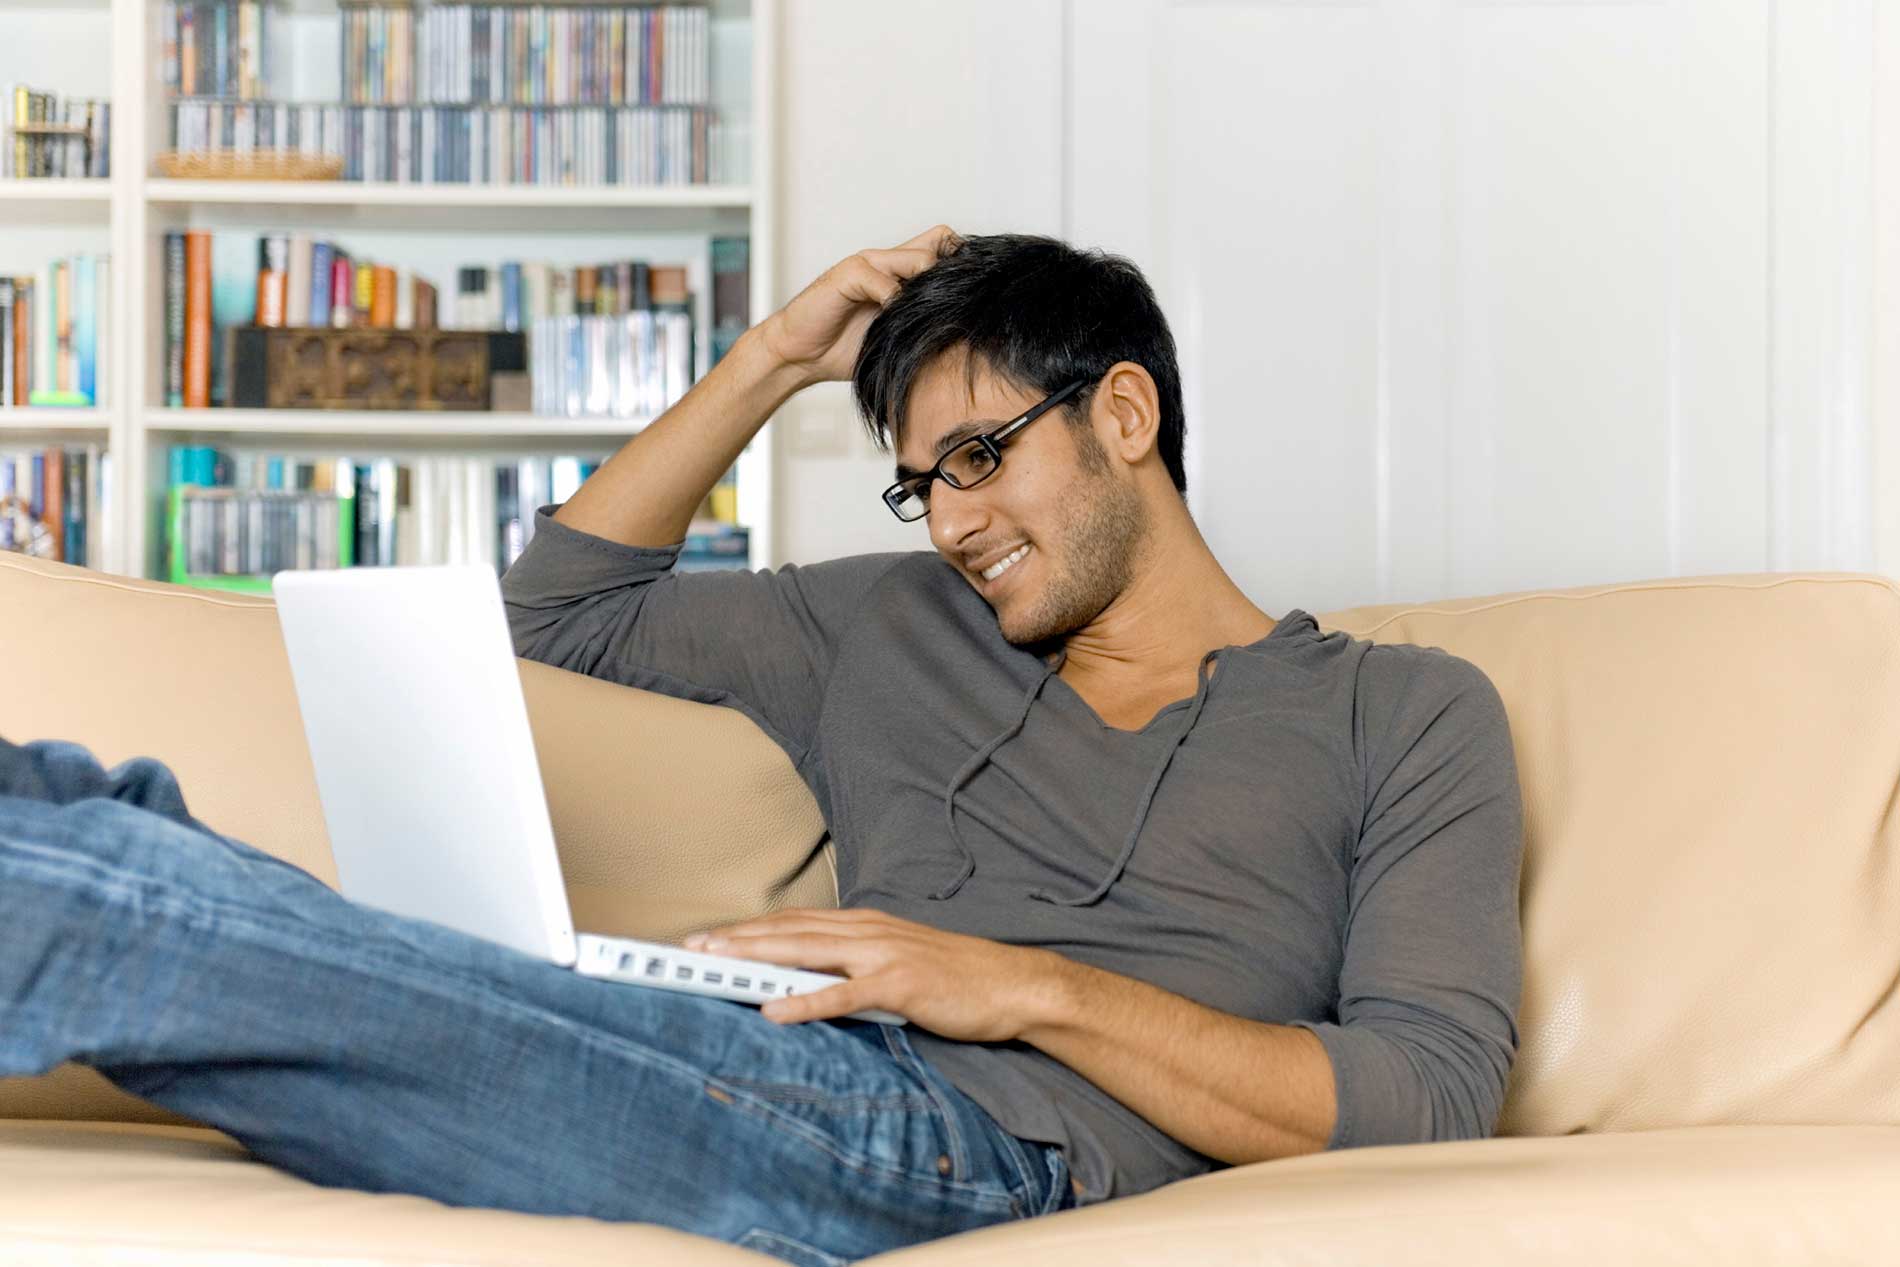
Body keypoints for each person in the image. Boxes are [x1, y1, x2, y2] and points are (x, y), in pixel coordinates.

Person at [0, 227, 1523, 1267]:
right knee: (99, 823)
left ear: (1125, 412)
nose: (959, 522)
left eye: (983, 458)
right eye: (923, 484)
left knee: (126, 913)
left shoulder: (1401, 711)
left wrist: (1019, 987)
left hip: (964, 1150)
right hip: (774, 1058)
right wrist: (775, 358)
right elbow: (554, 623)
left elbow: (1425, 1091)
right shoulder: (892, 621)